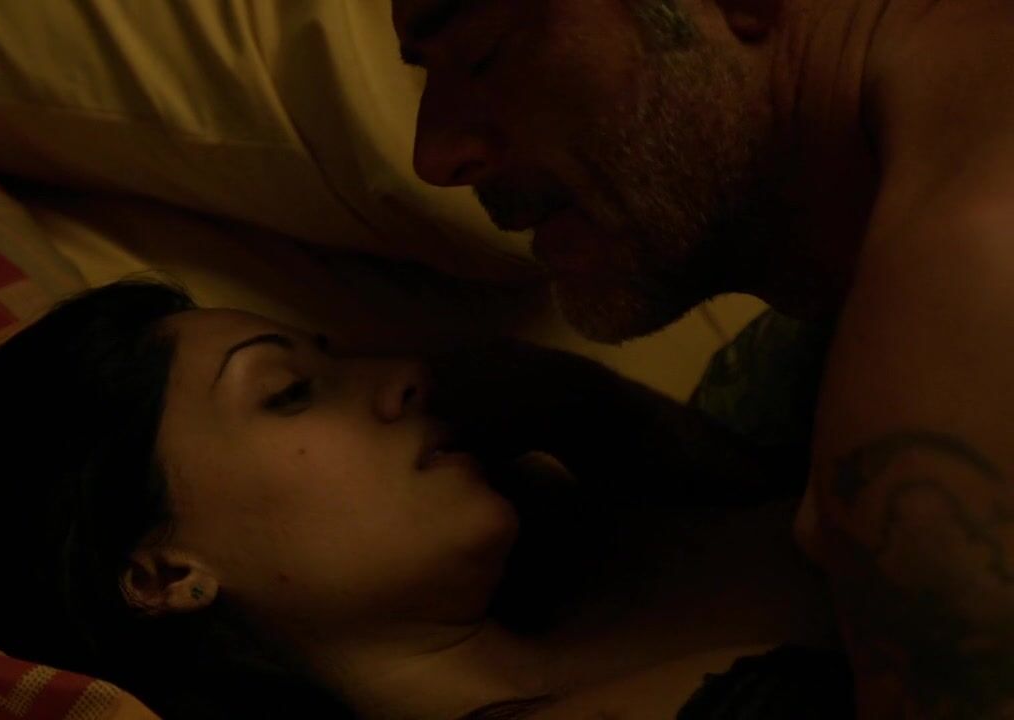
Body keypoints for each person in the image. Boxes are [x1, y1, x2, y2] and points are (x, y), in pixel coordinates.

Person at [390, 0, 1014, 714]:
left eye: (484, 54)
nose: (434, 158)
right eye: (425, 76)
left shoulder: (954, 320)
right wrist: (589, 415)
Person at [0, 280, 850, 719]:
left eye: (335, 361)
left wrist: (590, 409)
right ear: (164, 571)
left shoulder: (619, 526)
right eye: (290, 392)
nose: (405, 375)